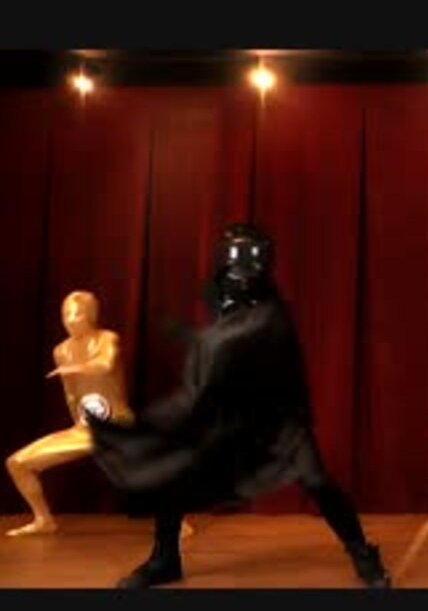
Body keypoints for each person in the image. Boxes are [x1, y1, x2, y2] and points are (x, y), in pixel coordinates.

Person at [87, 224, 390, 588]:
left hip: (279, 419)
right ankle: (164, 558)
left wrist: (196, 342)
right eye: (233, 270)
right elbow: (219, 347)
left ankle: (361, 552)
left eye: (248, 270)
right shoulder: (218, 291)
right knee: (175, 464)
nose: (240, 279)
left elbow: (229, 342)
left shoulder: (272, 316)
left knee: (316, 480)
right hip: (229, 412)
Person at [4, 291, 193, 539]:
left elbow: (105, 365)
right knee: (17, 463)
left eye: (77, 314)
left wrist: (75, 368)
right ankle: (43, 520)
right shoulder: (61, 351)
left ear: (91, 315)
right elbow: (71, 394)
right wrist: (77, 425)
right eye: (66, 315)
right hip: (84, 430)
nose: (71, 320)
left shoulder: (107, 339)